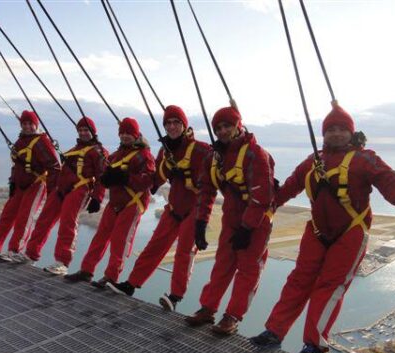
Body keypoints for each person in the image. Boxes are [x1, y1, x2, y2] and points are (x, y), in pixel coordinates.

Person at [250, 103, 395, 353]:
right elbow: (289, 188)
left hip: (350, 233)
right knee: (298, 281)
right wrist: (264, 206)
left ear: (352, 133)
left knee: (329, 289)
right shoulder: (313, 161)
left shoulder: (364, 160)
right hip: (317, 231)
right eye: (331, 129)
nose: (337, 134)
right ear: (324, 134)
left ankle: (313, 345)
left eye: (342, 129)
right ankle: (274, 331)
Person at [184, 106, 276, 336]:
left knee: (248, 268)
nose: (222, 131)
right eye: (218, 128)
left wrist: (247, 228)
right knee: (223, 263)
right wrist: (201, 222)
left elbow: (262, 197)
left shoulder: (256, 154)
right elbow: (206, 190)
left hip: (257, 220)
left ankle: (232, 316)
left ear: (238, 125)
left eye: (227, 126)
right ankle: (208, 308)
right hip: (232, 216)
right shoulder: (215, 157)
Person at [110, 106, 211, 311]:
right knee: (154, 246)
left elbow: (217, 173)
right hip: (174, 207)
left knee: (184, 253)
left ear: (184, 125)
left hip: (194, 208)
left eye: (176, 123)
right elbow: (154, 177)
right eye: (168, 123)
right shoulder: (165, 150)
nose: (172, 126)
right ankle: (131, 284)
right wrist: (128, 178)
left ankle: (174, 297)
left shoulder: (201, 149)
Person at [7, 117, 108, 275]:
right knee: (43, 221)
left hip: (79, 189)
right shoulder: (77, 147)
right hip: (61, 189)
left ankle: (62, 262)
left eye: (86, 130)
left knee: (67, 223)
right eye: (80, 130)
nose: (83, 133)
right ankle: (31, 254)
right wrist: (53, 189)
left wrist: (97, 197)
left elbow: (102, 176)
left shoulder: (98, 152)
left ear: (93, 132)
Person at [64, 117, 155, 285]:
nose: (125, 136)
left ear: (136, 135)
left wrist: (125, 178)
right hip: (115, 203)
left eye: (129, 133)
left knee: (120, 241)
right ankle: (87, 270)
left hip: (132, 203)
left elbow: (148, 180)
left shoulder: (144, 156)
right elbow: (104, 179)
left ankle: (111, 277)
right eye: (122, 133)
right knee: (100, 237)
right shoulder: (115, 155)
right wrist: (106, 180)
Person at [0, 110, 60, 259]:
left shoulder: (41, 142)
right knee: (7, 216)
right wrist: (13, 183)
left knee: (24, 219)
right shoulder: (21, 141)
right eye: (24, 124)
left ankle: (15, 250)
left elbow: (54, 167)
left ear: (36, 124)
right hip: (20, 185)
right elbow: (17, 165)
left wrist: (52, 191)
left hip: (36, 184)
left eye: (30, 124)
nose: (27, 127)